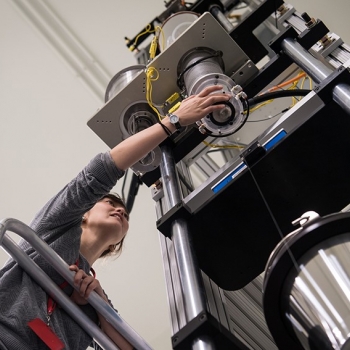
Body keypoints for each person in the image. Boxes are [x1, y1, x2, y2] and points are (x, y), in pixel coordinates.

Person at [0, 85, 230, 350]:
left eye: (124, 214)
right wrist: (173, 122)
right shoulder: (54, 227)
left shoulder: (95, 294)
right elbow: (100, 171)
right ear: (84, 214)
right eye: (109, 202)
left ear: (114, 245)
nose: (120, 210)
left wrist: (100, 305)